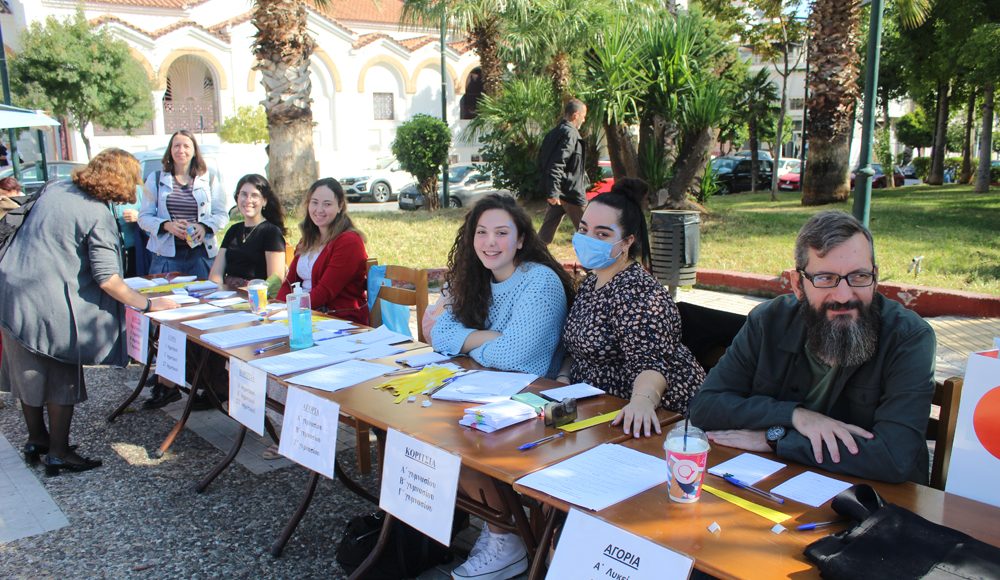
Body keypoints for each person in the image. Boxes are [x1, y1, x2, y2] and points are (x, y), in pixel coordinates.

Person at [688, 211, 936, 484]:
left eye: (859, 276)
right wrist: (796, 416)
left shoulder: (909, 338)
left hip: (877, 502)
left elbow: (895, 457)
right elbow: (705, 408)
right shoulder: (768, 321)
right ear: (798, 284)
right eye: (826, 278)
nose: (844, 296)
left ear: (875, 278)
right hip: (780, 486)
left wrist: (777, 439)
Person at [0, 149, 178, 475]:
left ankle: (36, 440)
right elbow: (108, 279)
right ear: (121, 181)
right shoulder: (96, 213)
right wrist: (150, 304)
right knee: (62, 375)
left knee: (28, 370)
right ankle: (58, 452)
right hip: (51, 303)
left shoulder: (55, 186)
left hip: (11, 292)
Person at [430, 193, 574, 580]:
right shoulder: (476, 280)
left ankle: (507, 538)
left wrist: (472, 339)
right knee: (428, 431)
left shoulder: (538, 281)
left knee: (463, 441)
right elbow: (437, 331)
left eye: (501, 232)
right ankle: (502, 531)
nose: (490, 242)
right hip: (488, 390)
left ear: (521, 239)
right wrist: (490, 336)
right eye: (481, 232)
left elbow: (518, 358)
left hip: (537, 403)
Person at [558, 178, 706, 438]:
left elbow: (651, 363)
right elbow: (578, 349)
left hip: (657, 417)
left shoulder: (638, 293)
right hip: (598, 410)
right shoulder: (593, 280)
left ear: (627, 242)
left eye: (602, 234)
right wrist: (561, 383)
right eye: (583, 230)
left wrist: (642, 401)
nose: (587, 239)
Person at [278, 178, 369, 325]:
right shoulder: (308, 239)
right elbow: (289, 283)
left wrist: (291, 309)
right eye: (314, 202)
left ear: (340, 206)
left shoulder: (349, 242)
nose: (319, 210)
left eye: (327, 204)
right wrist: (277, 308)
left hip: (338, 320)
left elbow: (325, 292)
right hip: (306, 314)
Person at [138, 130, 227, 279]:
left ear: (194, 151)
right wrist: (166, 225)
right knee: (167, 300)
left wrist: (204, 227)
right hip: (165, 257)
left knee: (204, 299)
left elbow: (222, 215)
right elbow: (143, 217)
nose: (181, 150)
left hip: (201, 256)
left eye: (186, 146)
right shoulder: (156, 178)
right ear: (170, 150)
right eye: (176, 146)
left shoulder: (209, 179)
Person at [208, 173, 287, 289]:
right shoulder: (233, 230)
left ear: (264, 201)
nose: (248, 200)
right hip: (226, 297)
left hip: (255, 297)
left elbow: (275, 282)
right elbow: (215, 275)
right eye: (244, 194)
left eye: (255, 195)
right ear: (237, 198)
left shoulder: (271, 232)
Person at [537, 98, 589, 245]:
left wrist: (552, 190)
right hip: (571, 192)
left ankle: (532, 259)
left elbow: (543, 161)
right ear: (575, 115)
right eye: (583, 116)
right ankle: (593, 266)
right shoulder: (570, 134)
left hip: (560, 191)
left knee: (546, 233)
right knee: (588, 232)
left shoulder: (553, 133)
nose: (584, 120)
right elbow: (558, 163)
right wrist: (553, 191)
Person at [113, 190, 142, 278]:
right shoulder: (101, 192)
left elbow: (156, 218)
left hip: (135, 251)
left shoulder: (139, 191)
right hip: (111, 250)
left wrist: (139, 216)